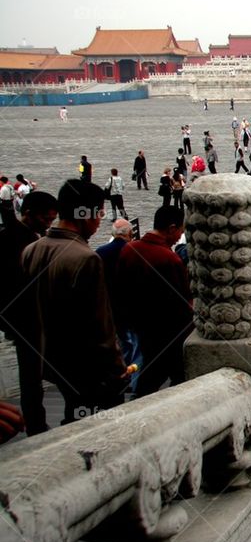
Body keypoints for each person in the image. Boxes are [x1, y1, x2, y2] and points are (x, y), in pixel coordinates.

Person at [19, 181, 127, 431]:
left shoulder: (31, 250)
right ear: (85, 213)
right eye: (99, 214)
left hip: (51, 360)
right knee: (97, 428)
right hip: (88, 367)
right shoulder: (85, 258)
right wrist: (117, 370)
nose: (99, 221)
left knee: (74, 417)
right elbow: (100, 326)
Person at [117, 206, 192, 397]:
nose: (179, 237)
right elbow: (182, 303)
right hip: (168, 333)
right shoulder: (169, 259)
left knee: (150, 374)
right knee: (170, 377)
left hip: (139, 327)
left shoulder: (129, 249)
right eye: (180, 232)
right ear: (171, 228)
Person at [0, 191, 58, 435]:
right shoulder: (11, 239)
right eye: (45, 219)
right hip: (25, 320)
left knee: (36, 374)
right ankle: (36, 425)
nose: (49, 224)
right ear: (28, 214)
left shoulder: (33, 236)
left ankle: (38, 422)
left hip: (37, 317)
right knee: (31, 378)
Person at [95, 219, 141, 393]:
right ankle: (133, 380)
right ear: (129, 234)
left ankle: (122, 374)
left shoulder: (101, 252)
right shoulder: (133, 250)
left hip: (110, 306)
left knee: (122, 342)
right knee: (135, 345)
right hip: (130, 306)